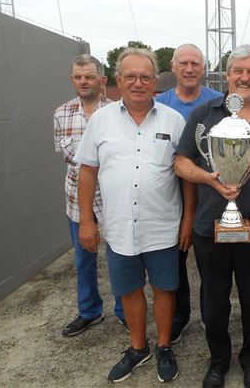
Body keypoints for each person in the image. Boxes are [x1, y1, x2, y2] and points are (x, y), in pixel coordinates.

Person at [175, 44, 250, 388]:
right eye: (238, 70)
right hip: (211, 227)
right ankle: (219, 360)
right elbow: (181, 162)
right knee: (213, 299)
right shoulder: (203, 115)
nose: (244, 77)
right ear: (227, 76)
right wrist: (208, 177)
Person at [75, 48, 188, 383]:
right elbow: (87, 173)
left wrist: (187, 221)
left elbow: (186, 174)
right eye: (131, 76)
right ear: (119, 81)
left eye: (145, 77)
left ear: (155, 81)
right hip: (120, 226)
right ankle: (139, 348)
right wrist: (86, 221)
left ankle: (165, 344)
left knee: (165, 288)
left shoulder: (174, 120)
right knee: (129, 290)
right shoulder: (101, 120)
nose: (138, 83)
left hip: (163, 225)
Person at [53, 54, 125, 337]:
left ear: (102, 80)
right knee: (83, 259)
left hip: (112, 199)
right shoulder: (61, 114)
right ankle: (89, 311)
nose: (83, 81)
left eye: (89, 76)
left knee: (119, 258)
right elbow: (70, 161)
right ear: (72, 80)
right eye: (78, 77)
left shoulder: (118, 112)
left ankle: (123, 311)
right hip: (77, 200)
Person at [156, 43, 223, 343]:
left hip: (212, 196)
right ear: (173, 66)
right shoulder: (159, 104)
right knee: (176, 261)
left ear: (204, 67)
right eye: (183, 63)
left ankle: (211, 315)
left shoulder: (220, 104)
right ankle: (180, 315)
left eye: (196, 63)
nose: (189, 69)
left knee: (211, 263)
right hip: (170, 198)